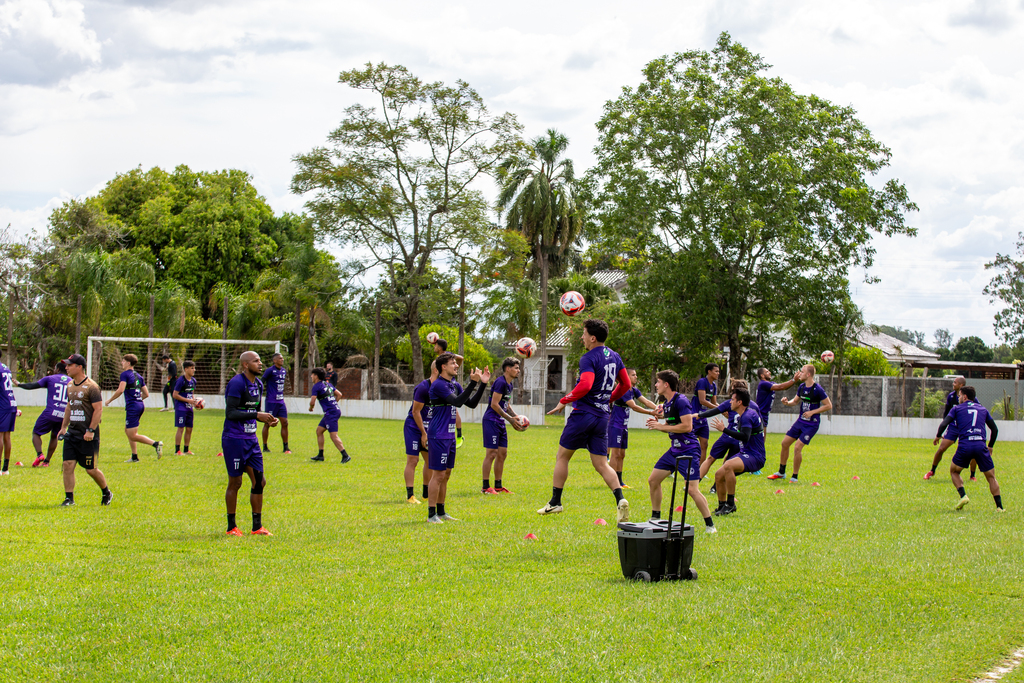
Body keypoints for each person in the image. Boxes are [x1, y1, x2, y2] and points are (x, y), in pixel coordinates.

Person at [538, 319, 633, 523]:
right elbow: (626, 384)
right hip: (602, 416)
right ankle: (620, 499)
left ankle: (555, 502)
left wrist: (564, 400)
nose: (582, 337)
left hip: (583, 414)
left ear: (593, 338)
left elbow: (586, 385)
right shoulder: (615, 356)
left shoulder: (588, 358)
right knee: (601, 463)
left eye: (584, 334)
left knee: (562, 456)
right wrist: (609, 399)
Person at [644, 370, 716, 533]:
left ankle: (710, 525)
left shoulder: (681, 401)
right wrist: (658, 422)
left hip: (688, 451)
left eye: (658, 382)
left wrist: (661, 427)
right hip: (674, 450)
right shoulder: (667, 403)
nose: (656, 385)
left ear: (666, 384)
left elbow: (687, 426)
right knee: (653, 480)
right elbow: (671, 423)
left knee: (692, 490)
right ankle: (656, 518)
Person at [426, 353, 488, 523]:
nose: (457, 365)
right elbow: (457, 402)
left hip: (449, 435)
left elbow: (471, 404)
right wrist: (473, 383)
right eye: (453, 363)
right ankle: (431, 515)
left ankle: (441, 512)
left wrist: (482, 383)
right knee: (438, 475)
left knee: (446, 475)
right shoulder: (439, 385)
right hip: (438, 435)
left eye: (456, 362)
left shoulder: (454, 384)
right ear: (443, 367)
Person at [223, 351, 278, 536]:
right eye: (256, 361)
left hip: (251, 440)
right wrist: (256, 415)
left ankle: (257, 527)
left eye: (260, 360)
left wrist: (267, 420)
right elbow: (231, 413)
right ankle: (231, 527)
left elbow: (255, 411)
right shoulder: (237, 383)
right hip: (234, 439)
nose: (260, 363)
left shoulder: (259, 384)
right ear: (245, 365)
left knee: (259, 481)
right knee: (236, 482)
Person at [697, 387, 766, 516]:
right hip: (746, 453)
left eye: (733, 400)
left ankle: (730, 504)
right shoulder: (744, 415)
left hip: (755, 456)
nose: (730, 402)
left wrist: (724, 429)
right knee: (719, 475)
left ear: (739, 402)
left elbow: (745, 436)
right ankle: (722, 506)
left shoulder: (747, 416)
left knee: (728, 465)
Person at [935, 385, 1003, 511]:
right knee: (991, 477)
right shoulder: (983, 409)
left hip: (965, 446)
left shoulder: (956, 409)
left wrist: (938, 435)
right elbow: (994, 429)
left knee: (954, 471)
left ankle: (963, 496)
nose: (958, 398)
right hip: (980, 446)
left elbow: (944, 423)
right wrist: (990, 446)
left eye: (960, 395)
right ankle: (999, 507)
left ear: (965, 397)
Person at [56, 354, 112, 506]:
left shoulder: (92, 387)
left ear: (79, 367)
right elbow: (69, 407)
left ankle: (106, 492)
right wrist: (63, 427)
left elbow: (98, 410)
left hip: (88, 434)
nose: (66, 367)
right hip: (72, 433)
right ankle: (69, 498)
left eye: (69, 365)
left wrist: (91, 430)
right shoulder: (69, 385)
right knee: (67, 464)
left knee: (91, 469)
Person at [767, 364, 831, 482]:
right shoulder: (801, 387)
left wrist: (812, 412)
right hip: (800, 421)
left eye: (802, 372)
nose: (799, 373)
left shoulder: (818, 389)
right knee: (785, 443)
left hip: (812, 424)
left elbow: (828, 405)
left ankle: (794, 477)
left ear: (808, 374)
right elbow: (795, 401)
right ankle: (781, 472)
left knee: (797, 447)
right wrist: (787, 403)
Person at [105, 354, 163, 462]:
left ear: (128, 363)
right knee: (128, 431)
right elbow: (146, 394)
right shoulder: (138, 376)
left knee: (132, 435)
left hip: (133, 407)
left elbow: (121, 390)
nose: (122, 363)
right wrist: (137, 399)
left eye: (123, 361)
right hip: (140, 405)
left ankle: (156, 444)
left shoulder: (125, 374)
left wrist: (109, 400)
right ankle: (134, 457)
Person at [607, 368, 658, 489]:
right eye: (633, 375)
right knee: (615, 454)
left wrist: (658, 408)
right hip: (615, 425)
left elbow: (646, 401)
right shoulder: (623, 390)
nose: (636, 377)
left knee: (622, 454)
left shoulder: (633, 390)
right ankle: (612, 482)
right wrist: (651, 413)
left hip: (623, 425)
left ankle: (620, 481)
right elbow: (634, 406)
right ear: (626, 377)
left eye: (636, 375)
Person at [481, 357, 526, 494]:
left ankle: (498, 486)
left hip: (500, 421)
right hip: (491, 420)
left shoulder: (509, 384)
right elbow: (494, 404)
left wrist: (516, 417)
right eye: (516, 368)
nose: (518, 370)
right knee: (491, 453)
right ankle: (485, 487)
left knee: (502, 453)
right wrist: (510, 419)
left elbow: (506, 405)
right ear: (508, 369)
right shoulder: (500, 382)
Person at [17, 361, 71, 468]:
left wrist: (19, 384)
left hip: (50, 412)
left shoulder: (50, 378)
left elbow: (32, 386)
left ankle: (40, 455)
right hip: (63, 415)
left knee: (36, 433)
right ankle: (46, 462)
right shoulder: (72, 381)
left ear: (58, 369)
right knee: (54, 436)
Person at [701, 378, 749, 493]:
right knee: (728, 465)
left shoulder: (729, 403)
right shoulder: (752, 406)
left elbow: (714, 411)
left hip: (727, 436)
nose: (731, 395)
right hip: (738, 440)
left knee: (711, 458)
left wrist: (698, 415)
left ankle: (695, 483)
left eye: (733, 391)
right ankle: (715, 487)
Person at [925, 376, 975, 481]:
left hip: (966, 428)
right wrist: (944, 426)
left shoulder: (971, 398)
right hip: (954, 427)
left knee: (973, 451)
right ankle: (932, 471)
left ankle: (972, 475)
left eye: (955, 382)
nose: (953, 384)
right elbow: (946, 413)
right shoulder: (951, 396)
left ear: (961, 385)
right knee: (941, 449)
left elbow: (978, 411)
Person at [403, 363, 438, 504]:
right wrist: (423, 433)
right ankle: (410, 496)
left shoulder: (441, 388)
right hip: (414, 427)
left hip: (428, 429)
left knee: (430, 461)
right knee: (413, 460)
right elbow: (415, 411)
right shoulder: (423, 387)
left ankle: (425, 494)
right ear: (437, 370)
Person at [308, 368, 351, 463]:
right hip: (333, 411)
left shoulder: (316, 386)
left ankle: (345, 455)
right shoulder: (328, 384)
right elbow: (339, 394)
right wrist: (333, 404)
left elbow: (312, 401)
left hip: (331, 413)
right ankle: (320, 455)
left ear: (316, 376)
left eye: (312, 375)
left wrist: (311, 408)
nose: (311, 376)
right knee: (319, 431)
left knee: (333, 436)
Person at [432, 338, 466, 448]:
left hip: (448, 385)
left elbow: (460, 358)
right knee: (453, 409)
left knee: (454, 408)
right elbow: (460, 358)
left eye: (435, 345)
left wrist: (454, 369)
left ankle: (459, 435)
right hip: (448, 384)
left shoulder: (445, 357)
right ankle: (459, 435)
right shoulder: (444, 357)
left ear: (439, 347)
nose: (434, 347)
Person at [691, 363, 721, 466]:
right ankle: (677, 466)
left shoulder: (714, 386)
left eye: (718, 371)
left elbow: (714, 403)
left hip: (703, 419)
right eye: (716, 371)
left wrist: (724, 409)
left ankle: (699, 469)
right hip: (694, 417)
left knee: (704, 445)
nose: (718, 373)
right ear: (709, 371)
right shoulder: (702, 382)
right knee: (688, 444)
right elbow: (702, 400)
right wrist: (719, 409)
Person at [261, 353, 290, 454]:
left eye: (282, 358)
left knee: (285, 423)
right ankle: (265, 447)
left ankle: (286, 447)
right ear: (275, 360)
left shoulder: (283, 371)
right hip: (271, 401)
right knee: (267, 423)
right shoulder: (269, 370)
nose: (282, 360)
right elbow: (261, 381)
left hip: (280, 401)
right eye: (280, 358)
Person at [172, 360, 199, 455]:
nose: (194, 370)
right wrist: (188, 400)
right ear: (186, 369)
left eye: (194, 368)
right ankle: (177, 450)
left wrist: (194, 402)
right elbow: (175, 395)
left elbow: (192, 393)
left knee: (189, 428)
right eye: (192, 368)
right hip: (181, 408)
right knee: (181, 428)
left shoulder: (193, 381)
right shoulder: (181, 381)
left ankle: (186, 450)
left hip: (189, 408)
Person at [0, 359, 17, 475]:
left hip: (2, 405)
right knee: (7, 436)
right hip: (11, 403)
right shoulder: (5, 367)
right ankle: (5, 469)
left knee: (0, 435)